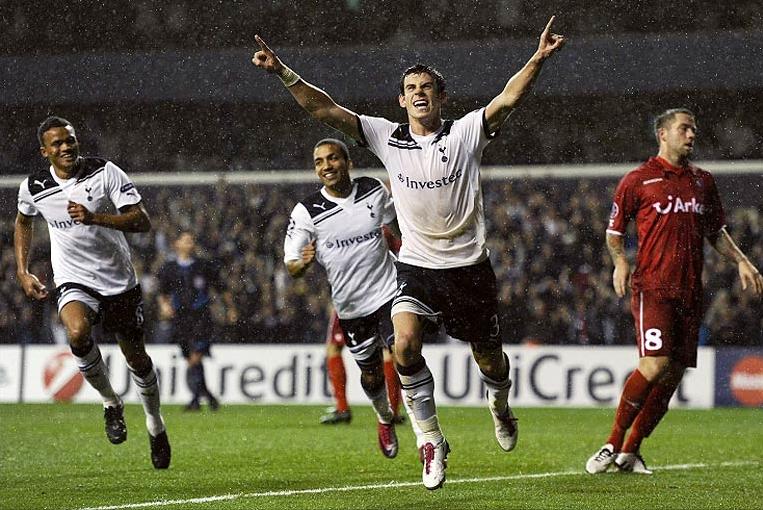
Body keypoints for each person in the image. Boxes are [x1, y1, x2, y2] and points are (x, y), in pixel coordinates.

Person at [254, 17, 565, 489]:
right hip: (417, 266)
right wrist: (283, 72)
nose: (418, 93)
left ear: (440, 97)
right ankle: (431, 440)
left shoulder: (464, 133)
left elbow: (508, 98)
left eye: (426, 87)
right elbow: (326, 111)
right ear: (401, 99)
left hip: (468, 267)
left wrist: (538, 58)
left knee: (489, 361)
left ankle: (500, 407)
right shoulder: (385, 136)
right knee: (403, 347)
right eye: (410, 87)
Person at [585, 108, 763, 475]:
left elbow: (715, 231)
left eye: (694, 129)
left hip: (689, 291)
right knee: (655, 363)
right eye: (684, 128)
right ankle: (611, 442)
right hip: (653, 287)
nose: (692, 135)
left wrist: (742, 261)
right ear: (662, 134)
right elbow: (614, 232)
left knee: (674, 374)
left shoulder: (702, 181)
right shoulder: (638, 180)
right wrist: (620, 262)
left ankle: (630, 452)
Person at [14, 116, 171, 469]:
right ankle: (110, 402)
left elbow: (141, 221)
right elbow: (23, 220)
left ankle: (155, 424)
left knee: (138, 359)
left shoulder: (105, 172)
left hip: (118, 281)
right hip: (73, 278)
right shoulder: (34, 186)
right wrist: (22, 271)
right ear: (45, 152)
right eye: (57, 144)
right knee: (77, 332)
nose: (66, 147)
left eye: (69, 140)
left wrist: (95, 217)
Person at [284, 137, 417, 459]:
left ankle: (426, 431)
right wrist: (303, 262)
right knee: (370, 375)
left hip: (389, 292)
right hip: (351, 306)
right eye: (319, 162)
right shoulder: (306, 212)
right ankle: (384, 418)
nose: (327, 166)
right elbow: (291, 266)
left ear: (348, 163)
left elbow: (397, 228)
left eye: (333, 159)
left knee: (404, 349)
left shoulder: (373, 190)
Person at [320, 227, 405, 426]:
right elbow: (401, 250)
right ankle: (393, 410)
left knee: (334, 347)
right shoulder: (379, 220)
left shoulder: (351, 219)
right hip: (383, 293)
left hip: (354, 297)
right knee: (388, 351)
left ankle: (343, 408)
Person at [157, 231, 223, 412]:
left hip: (201, 317)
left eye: (191, 241)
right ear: (176, 244)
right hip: (180, 318)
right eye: (185, 240)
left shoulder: (203, 266)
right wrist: (165, 306)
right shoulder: (169, 268)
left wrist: (229, 308)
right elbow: (162, 293)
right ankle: (209, 397)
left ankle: (195, 400)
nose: (189, 244)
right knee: (191, 360)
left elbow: (220, 287)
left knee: (195, 358)